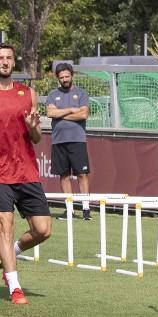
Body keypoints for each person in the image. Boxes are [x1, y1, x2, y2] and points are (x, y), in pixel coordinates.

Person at [0, 43, 51, 305]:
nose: (4, 62)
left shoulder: (28, 93)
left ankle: (11, 253)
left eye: (8, 58)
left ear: (14, 63)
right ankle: (14, 285)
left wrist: (33, 127)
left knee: (43, 230)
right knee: (5, 225)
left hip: (26, 170)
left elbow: (36, 138)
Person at [44, 61, 92, 220]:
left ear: (72, 76)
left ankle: (86, 208)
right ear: (58, 78)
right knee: (63, 175)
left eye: (67, 76)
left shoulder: (81, 93)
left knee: (82, 174)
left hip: (77, 140)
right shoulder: (52, 94)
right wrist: (71, 110)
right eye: (62, 77)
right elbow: (50, 113)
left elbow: (83, 115)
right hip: (58, 141)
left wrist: (61, 113)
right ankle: (69, 209)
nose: (65, 79)